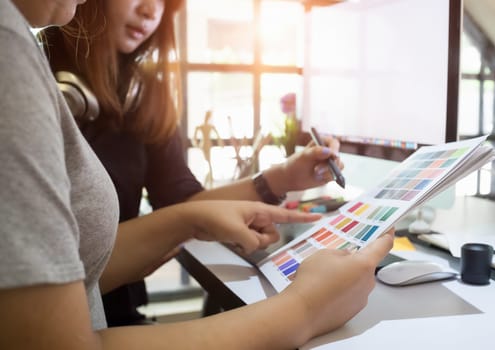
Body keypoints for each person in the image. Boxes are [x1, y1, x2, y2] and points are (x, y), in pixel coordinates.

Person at [0, 1, 395, 348]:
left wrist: (270, 183)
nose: (150, 10)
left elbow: (96, 256)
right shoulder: (12, 52)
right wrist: (306, 309)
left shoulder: (143, 93)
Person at [192, 110, 223, 188]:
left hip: (206, 144)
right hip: (205, 144)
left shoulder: (206, 127)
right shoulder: (203, 127)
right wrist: (196, 144)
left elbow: (218, 137)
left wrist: (220, 143)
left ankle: (208, 181)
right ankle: (208, 181)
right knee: (208, 163)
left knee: (208, 163)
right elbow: (194, 138)